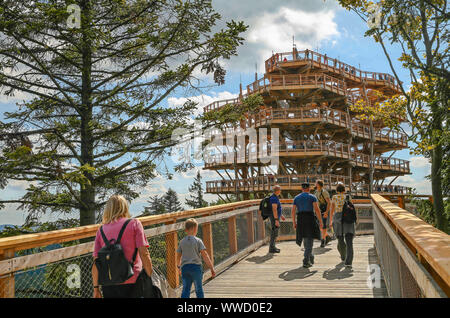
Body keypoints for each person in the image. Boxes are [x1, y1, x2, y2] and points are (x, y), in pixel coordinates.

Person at [92, 195, 153, 298]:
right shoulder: (134, 224)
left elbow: (96, 263)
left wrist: (96, 289)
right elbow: (144, 253)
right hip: (133, 280)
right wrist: (149, 275)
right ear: (125, 207)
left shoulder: (101, 230)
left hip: (109, 284)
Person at [177, 218, 215, 298]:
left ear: (186, 230)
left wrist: (179, 267)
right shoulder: (198, 241)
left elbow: (178, 256)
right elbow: (205, 255)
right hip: (196, 268)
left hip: (185, 268)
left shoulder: (181, 242)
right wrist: (211, 268)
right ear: (195, 229)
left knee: (186, 289)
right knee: (198, 289)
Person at [291, 183, 323, 268]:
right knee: (310, 239)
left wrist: (294, 222)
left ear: (302, 189)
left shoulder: (296, 198)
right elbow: (316, 209)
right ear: (309, 189)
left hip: (300, 219)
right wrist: (320, 221)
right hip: (309, 219)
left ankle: (310, 257)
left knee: (305, 238)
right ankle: (306, 260)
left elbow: (293, 211)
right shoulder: (312, 197)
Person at [329, 183, 356, 269]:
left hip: (337, 218)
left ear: (336, 190)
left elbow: (332, 209)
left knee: (340, 239)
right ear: (344, 190)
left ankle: (343, 256)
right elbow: (352, 208)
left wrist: (330, 220)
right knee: (349, 241)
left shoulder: (334, 197)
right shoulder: (347, 197)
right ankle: (348, 262)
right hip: (348, 219)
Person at [268, 185, 286, 253]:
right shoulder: (273, 198)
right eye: (280, 190)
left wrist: (281, 215)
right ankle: (271, 248)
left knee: (275, 232)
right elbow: (274, 209)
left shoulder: (275, 197)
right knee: (274, 232)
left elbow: (277, 208)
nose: (280, 191)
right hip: (274, 218)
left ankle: (273, 247)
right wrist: (276, 220)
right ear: (277, 191)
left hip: (276, 217)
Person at [315, 180, 332, 247]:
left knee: (323, 225)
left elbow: (329, 202)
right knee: (319, 226)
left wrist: (326, 212)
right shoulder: (316, 192)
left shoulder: (324, 192)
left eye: (316, 183)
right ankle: (327, 236)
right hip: (318, 211)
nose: (315, 184)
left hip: (324, 210)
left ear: (319, 185)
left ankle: (323, 240)